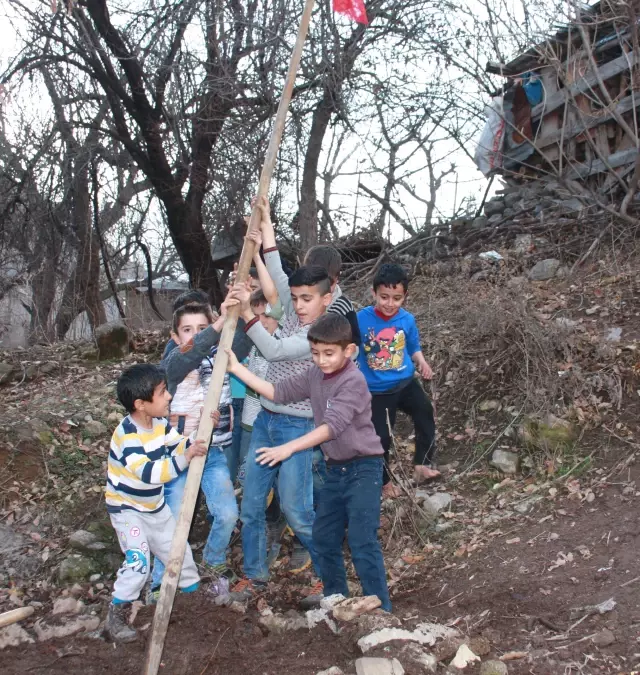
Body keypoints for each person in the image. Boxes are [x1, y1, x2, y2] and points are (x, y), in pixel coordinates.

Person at [226, 313, 391, 611]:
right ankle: (336, 598)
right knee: (324, 536)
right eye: (315, 353)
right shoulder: (316, 375)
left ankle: (381, 609)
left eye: (329, 353)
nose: (321, 360)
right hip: (336, 468)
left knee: (361, 539)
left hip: (364, 467)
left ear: (348, 350)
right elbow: (279, 392)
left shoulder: (353, 381)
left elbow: (331, 426)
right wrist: (238, 368)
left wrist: (287, 448)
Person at [227, 198, 333, 599]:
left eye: (309, 299)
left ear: (325, 299)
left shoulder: (320, 332)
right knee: (251, 505)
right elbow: (275, 267)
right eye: (298, 297)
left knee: (296, 509)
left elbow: (272, 351)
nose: (301, 305)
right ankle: (254, 576)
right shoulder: (290, 305)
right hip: (267, 421)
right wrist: (264, 225)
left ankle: (327, 576)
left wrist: (245, 316)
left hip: (298, 427)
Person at [148, 299, 248, 605]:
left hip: (213, 453)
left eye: (202, 328)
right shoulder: (172, 361)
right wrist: (213, 328)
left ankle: (212, 561)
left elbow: (246, 335)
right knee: (175, 519)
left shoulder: (222, 356)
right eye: (187, 330)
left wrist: (239, 304)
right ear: (175, 336)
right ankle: (160, 579)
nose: (195, 335)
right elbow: (185, 358)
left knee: (229, 513)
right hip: (177, 456)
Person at [104, 364, 208, 642]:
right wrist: (184, 459)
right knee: (138, 561)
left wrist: (192, 444)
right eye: (162, 393)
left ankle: (194, 602)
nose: (169, 397)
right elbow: (150, 474)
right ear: (140, 404)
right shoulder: (127, 437)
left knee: (179, 553)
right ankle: (116, 615)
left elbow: (177, 444)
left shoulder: (160, 423)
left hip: (155, 507)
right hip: (128, 510)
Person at [357, 263, 439, 499]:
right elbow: (349, 348)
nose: (390, 303)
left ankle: (422, 465)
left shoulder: (406, 319)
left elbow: (413, 346)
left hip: (405, 382)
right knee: (381, 435)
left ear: (405, 297)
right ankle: (383, 483)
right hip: (377, 390)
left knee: (424, 411)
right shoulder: (361, 319)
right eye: (384, 297)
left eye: (396, 298)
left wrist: (421, 362)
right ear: (374, 293)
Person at [303, 244, 360, 348]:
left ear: (337, 278)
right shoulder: (299, 300)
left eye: (328, 283)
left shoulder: (342, 307)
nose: (322, 288)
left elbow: (355, 344)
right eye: (315, 281)